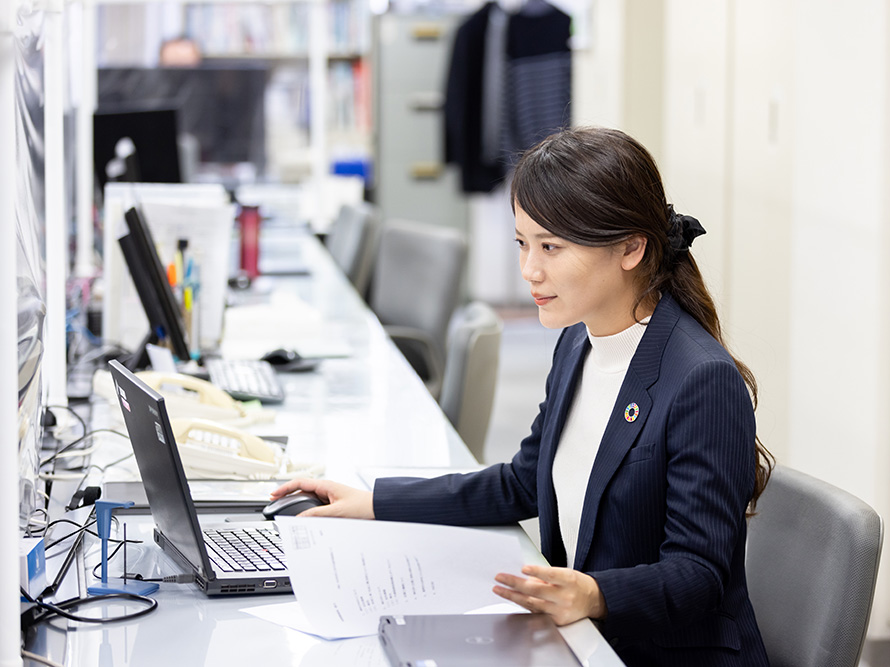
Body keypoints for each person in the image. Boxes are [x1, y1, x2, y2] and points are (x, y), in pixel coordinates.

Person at [271, 126, 774, 666]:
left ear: (631, 248)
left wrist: (594, 594)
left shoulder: (702, 380)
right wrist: (373, 503)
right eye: (522, 243)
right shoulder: (577, 341)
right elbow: (522, 481)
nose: (529, 270)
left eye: (551, 247)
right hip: (578, 639)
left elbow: (699, 575)